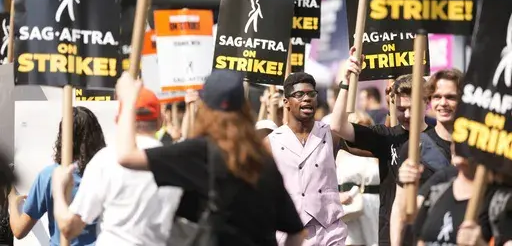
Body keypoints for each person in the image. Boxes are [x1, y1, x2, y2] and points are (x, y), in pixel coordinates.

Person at [114, 70, 305, 246]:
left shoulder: (199, 152)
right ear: (244, 108)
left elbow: (126, 156)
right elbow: (296, 231)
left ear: (205, 107)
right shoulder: (262, 160)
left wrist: (129, 99)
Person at [51, 87, 184, 246]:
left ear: (119, 120)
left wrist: (58, 189)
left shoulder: (105, 160)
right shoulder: (178, 164)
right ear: (160, 121)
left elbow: (70, 227)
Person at [330, 46, 434, 246]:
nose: (407, 115)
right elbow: (337, 126)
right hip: (391, 234)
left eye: (412, 108)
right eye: (401, 109)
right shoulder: (386, 136)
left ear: (426, 103)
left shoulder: (440, 139)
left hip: (431, 233)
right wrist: (347, 81)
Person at [267, 72, 347, 246]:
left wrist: (347, 82)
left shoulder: (331, 133)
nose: (307, 98)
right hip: (292, 233)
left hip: (330, 231)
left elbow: (370, 142)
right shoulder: (272, 141)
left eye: (311, 94)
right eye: (299, 94)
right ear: (286, 102)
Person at [9, 106, 105, 246]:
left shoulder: (49, 176)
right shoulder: (106, 174)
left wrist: (12, 201)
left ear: (62, 137)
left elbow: (19, 230)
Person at [391, 68, 462, 246]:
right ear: (430, 100)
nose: (443, 103)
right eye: (437, 97)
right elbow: (400, 208)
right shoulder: (415, 147)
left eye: (450, 97)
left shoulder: (477, 148)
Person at [412, 146, 492, 246]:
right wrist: (407, 183)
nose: (458, 144)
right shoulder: (438, 189)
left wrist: (480, 244)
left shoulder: (498, 200)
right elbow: (417, 234)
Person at [337, 111, 380, 246]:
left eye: (366, 127)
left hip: (374, 205)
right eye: (357, 127)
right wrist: (336, 195)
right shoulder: (340, 153)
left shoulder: (377, 152)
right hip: (349, 206)